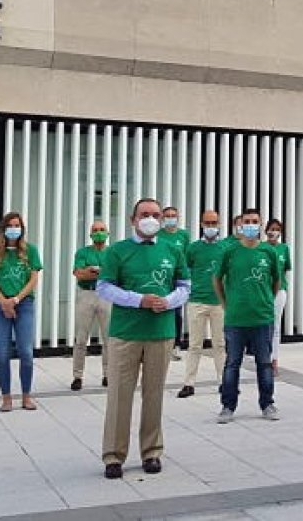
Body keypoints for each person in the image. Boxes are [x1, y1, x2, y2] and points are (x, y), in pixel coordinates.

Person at [97, 198, 190, 479]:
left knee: (154, 395)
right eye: (144, 214)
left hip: (160, 333)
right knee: (119, 396)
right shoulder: (117, 251)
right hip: (126, 333)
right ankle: (113, 455)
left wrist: (169, 301)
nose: (151, 219)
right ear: (132, 219)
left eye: (156, 214)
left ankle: (151, 452)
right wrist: (138, 300)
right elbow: (104, 287)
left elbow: (185, 286)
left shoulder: (172, 249)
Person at [216, 209, 281, 423]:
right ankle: (228, 406)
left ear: (261, 225)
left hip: (262, 318)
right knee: (232, 363)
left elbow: (276, 281)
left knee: (264, 363)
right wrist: (226, 304)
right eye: (247, 221)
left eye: (255, 221)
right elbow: (217, 279)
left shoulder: (268, 252)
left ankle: (267, 403)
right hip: (235, 319)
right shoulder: (230, 251)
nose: (251, 225)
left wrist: (266, 300)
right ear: (240, 225)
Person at [0, 211, 42, 413]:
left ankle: (26, 396)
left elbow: (34, 279)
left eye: (17, 226)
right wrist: (3, 302)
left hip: (24, 304)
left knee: (26, 352)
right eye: (10, 225)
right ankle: (6, 397)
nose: (14, 229)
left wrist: (16, 299)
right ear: (3, 229)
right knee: (2, 353)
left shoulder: (30, 251)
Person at [179, 210, 227, 398]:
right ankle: (189, 383)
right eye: (207, 223)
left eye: (214, 223)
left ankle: (223, 381)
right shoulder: (193, 248)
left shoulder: (224, 248)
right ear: (201, 224)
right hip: (197, 301)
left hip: (218, 302)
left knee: (220, 344)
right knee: (194, 345)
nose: (210, 226)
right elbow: (186, 270)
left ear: (219, 224)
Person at [70, 220, 111, 391]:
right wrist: (100, 272)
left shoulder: (112, 253)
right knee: (81, 338)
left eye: (102, 230)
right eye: (95, 230)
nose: (99, 232)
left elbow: (114, 275)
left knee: (108, 338)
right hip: (86, 294)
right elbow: (79, 274)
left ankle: (108, 374)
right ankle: (77, 376)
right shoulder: (82, 252)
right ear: (90, 234)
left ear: (108, 233)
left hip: (107, 295)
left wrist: (93, 271)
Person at [158, 207, 189, 360]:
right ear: (163, 218)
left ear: (178, 217)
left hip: (177, 278)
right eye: (168, 216)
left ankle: (176, 344)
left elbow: (187, 257)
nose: (171, 218)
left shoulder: (183, 235)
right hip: (162, 278)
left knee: (177, 313)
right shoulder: (159, 234)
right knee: (161, 309)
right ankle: (161, 343)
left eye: (173, 216)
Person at [265, 217, 292, 374]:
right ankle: (263, 357)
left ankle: (274, 359)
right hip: (263, 292)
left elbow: (286, 269)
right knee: (263, 326)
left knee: (275, 326)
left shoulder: (284, 249)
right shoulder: (261, 247)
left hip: (280, 291)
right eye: (271, 229)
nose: (273, 232)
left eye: (276, 229)